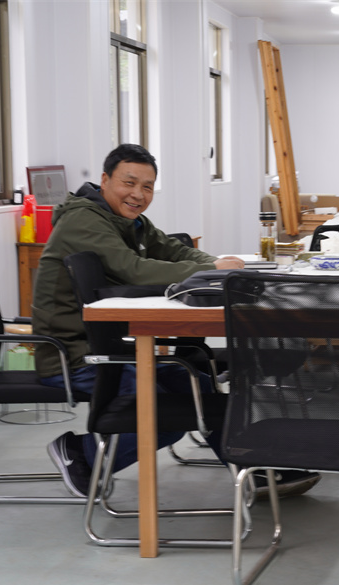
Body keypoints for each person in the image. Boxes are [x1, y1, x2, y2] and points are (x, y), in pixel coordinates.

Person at [32, 143, 320, 499]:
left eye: (148, 186)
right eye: (129, 183)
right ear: (105, 180)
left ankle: (252, 467)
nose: (138, 194)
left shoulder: (129, 221)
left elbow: (173, 250)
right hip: (74, 357)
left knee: (197, 385)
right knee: (166, 416)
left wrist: (213, 265)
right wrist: (211, 270)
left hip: (113, 348)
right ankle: (81, 454)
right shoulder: (83, 220)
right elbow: (133, 269)